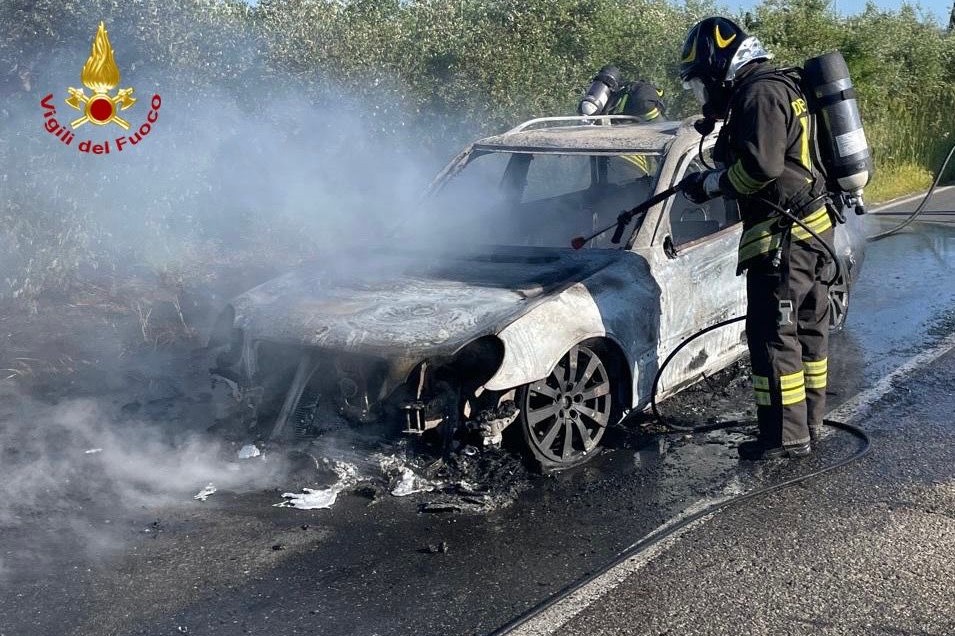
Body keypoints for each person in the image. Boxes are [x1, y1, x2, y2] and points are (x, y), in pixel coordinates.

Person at [676, 16, 834, 460]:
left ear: (718, 67)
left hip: (784, 238)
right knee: (807, 334)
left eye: (700, 83)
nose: (702, 93)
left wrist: (710, 184)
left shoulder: (759, 93)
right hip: (813, 234)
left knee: (774, 338)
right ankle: (811, 423)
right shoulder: (781, 84)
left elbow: (761, 169)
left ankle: (785, 438)